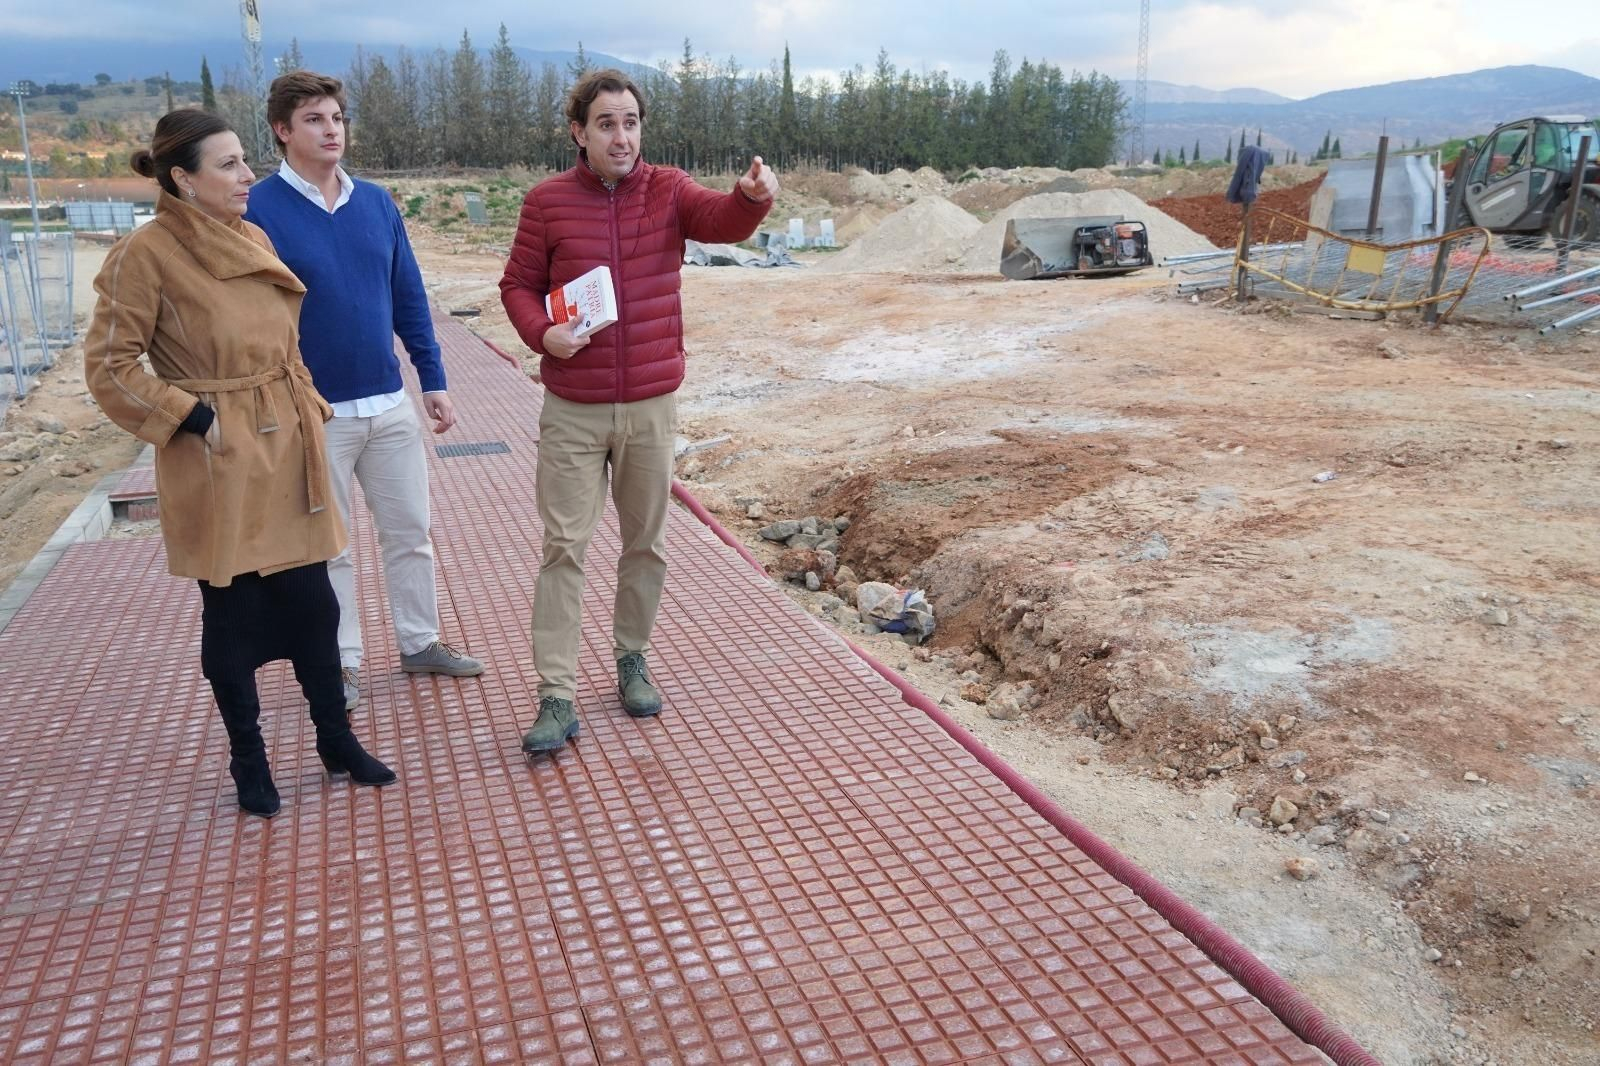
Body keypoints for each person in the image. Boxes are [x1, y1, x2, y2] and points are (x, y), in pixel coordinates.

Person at [85, 109, 395, 817]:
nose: (246, 174)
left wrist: (308, 404)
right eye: (226, 165)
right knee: (234, 622)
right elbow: (109, 365)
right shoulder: (147, 254)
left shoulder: (252, 236)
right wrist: (196, 419)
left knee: (315, 608)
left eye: (242, 160)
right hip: (219, 456)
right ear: (182, 180)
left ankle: (334, 740)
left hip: (286, 444)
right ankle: (248, 762)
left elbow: (284, 344)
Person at [500, 68, 778, 754]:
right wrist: (544, 335)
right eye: (605, 123)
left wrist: (751, 200)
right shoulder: (547, 202)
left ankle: (632, 660)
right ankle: (556, 696)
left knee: (645, 544)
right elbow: (518, 286)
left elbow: (721, 221)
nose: (620, 136)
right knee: (564, 547)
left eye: (630, 122)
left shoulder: (668, 189)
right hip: (574, 406)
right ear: (578, 132)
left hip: (651, 405)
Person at [245, 70, 483, 714]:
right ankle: (342, 662)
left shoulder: (376, 202)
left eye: (337, 118)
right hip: (314, 413)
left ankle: (420, 641)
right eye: (315, 119)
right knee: (331, 549)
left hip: (388, 402)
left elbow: (409, 296)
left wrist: (432, 379)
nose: (331, 130)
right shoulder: (257, 210)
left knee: (411, 531)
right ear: (283, 130)